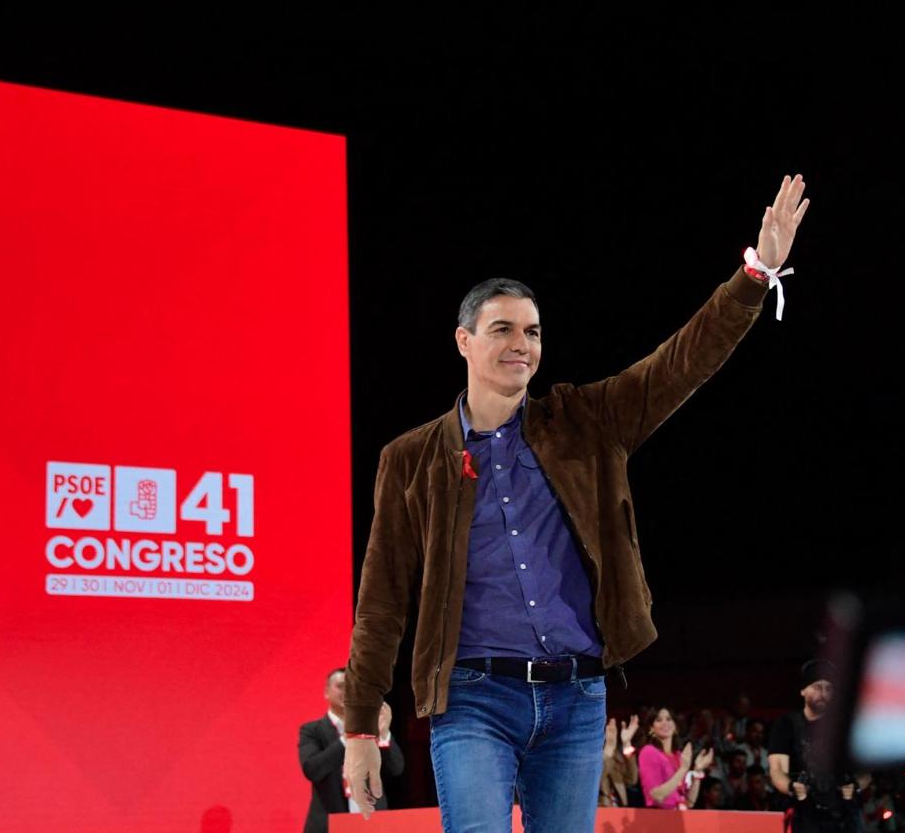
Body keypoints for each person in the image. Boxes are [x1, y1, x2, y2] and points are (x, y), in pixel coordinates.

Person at [344, 176, 811, 832]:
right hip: (474, 698)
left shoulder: (587, 423)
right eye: (502, 329)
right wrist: (362, 727)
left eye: (532, 332)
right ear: (464, 342)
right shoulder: (410, 459)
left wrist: (755, 274)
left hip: (578, 696)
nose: (521, 345)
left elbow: (680, 362)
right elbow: (383, 599)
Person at [298, 668, 404, 833]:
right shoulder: (312, 730)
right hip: (328, 823)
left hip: (373, 822)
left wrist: (383, 734)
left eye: (352, 686)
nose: (347, 691)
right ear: (326, 692)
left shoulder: (372, 728)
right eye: (341, 686)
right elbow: (312, 769)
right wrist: (348, 737)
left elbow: (396, 768)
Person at [769, 659, 857, 833]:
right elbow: (777, 769)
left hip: (840, 812)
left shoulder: (843, 727)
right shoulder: (787, 724)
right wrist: (791, 787)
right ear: (803, 690)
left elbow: (863, 770)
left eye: (828, 688)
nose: (823, 693)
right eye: (817, 687)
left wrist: (855, 785)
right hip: (803, 811)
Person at [638, 706, 714, 809]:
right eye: (659, 720)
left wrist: (697, 771)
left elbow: (689, 802)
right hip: (659, 818)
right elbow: (656, 795)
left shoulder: (678, 756)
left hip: (679, 818)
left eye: (669, 719)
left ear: (675, 726)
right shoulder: (649, 752)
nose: (665, 723)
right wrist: (682, 770)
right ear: (651, 728)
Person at [599, 715, 640, 807]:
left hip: (618, 814)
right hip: (599, 814)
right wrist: (609, 747)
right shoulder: (587, 758)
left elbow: (632, 779)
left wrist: (627, 744)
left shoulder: (615, 756)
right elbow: (598, 776)